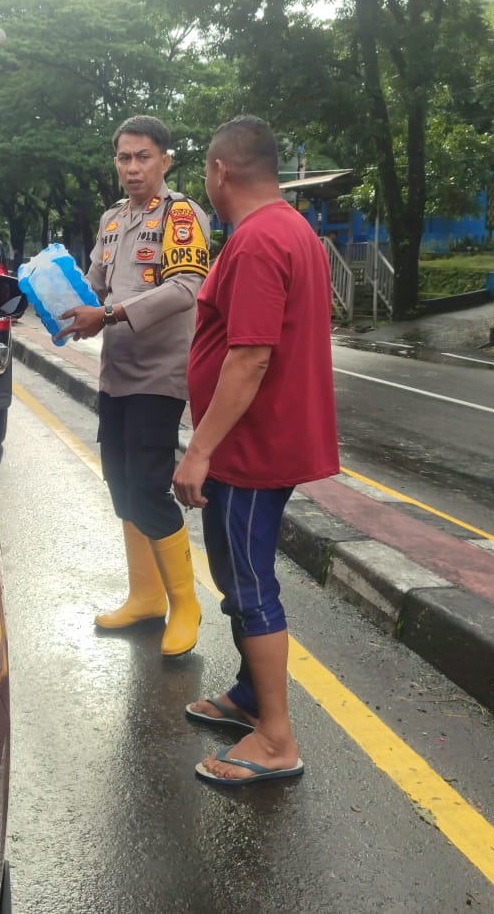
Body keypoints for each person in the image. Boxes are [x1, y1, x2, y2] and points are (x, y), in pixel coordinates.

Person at [173, 115, 340, 785]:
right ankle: (249, 696)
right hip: (262, 440)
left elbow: (247, 358)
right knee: (240, 574)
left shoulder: (255, 242)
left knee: (249, 584)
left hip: (249, 446)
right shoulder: (291, 228)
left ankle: (276, 737)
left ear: (219, 171)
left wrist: (198, 451)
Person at [57, 115, 211, 656]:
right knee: (121, 486)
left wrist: (111, 313)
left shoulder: (182, 215)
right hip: (116, 374)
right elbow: (92, 285)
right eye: (123, 157)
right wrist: (52, 293)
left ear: (165, 160)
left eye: (143, 156)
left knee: (148, 487)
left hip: (159, 376)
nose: (131, 167)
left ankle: (185, 604)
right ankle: (145, 596)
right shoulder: (113, 220)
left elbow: (186, 288)